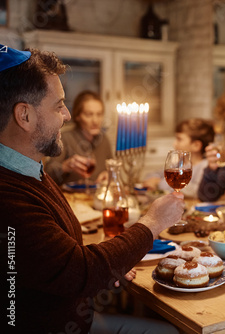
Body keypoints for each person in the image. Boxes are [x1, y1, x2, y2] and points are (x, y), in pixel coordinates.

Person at [0, 45, 184, 333]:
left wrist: (109, 266)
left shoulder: (28, 171)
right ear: (24, 115)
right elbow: (80, 271)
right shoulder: (8, 196)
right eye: (58, 105)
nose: (67, 115)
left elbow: (61, 259)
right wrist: (153, 222)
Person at [44, 90, 113, 185]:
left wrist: (109, 175)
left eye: (99, 114)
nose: (95, 120)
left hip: (96, 197)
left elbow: (112, 170)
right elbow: (47, 173)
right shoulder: (64, 138)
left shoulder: (104, 140)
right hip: (72, 197)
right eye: (89, 115)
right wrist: (65, 167)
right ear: (77, 116)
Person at [142, 118, 215, 198]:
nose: (174, 144)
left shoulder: (205, 167)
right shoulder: (178, 163)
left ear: (196, 145)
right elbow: (154, 174)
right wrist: (154, 179)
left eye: (179, 139)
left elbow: (195, 191)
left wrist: (159, 183)